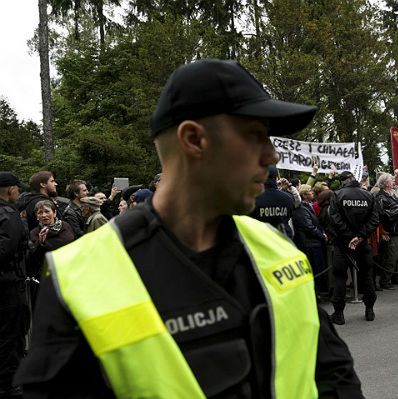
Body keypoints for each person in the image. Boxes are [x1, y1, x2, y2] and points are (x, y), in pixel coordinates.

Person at [15, 59, 364, 398]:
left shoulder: (276, 248)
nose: (271, 155)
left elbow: (333, 373)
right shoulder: (79, 278)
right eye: (256, 135)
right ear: (194, 139)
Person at [329, 171, 379, 324]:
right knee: (367, 276)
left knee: (340, 277)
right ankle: (369, 310)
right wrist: (360, 236)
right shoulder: (368, 195)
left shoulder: (337, 195)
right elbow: (375, 218)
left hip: (343, 243)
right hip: (362, 243)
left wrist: (351, 237)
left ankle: (339, 314)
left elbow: (334, 218)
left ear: (343, 181)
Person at [0, 172, 28, 398]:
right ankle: (10, 383)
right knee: (11, 333)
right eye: (17, 189)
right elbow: (6, 250)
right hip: (8, 283)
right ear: (10, 190)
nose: (18, 193)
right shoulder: (9, 214)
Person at [28, 200, 75, 303]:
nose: (44, 215)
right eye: (40, 213)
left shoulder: (65, 226)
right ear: (37, 216)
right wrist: (41, 243)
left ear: (54, 213)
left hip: (68, 274)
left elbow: (71, 244)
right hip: (47, 278)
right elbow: (33, 258)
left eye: (47, 211)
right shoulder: (34, 233)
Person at [292, 184, 328, 297]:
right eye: (310, 191)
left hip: (313, 242)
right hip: (309, 244)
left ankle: (317, 293)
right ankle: (314, 295)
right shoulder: (301, 208)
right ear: (304, 194)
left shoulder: (308, 206)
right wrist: (322, 235)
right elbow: (309, 226)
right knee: (314, 270)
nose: (312, 192)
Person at [374, 172, 398, 290]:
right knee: (391, 257)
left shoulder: (392, 194)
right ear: (386, 183)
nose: (393, 182)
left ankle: (396, 277)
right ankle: (385, 280)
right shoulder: (381, 197)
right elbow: (385, 214)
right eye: (391, 180)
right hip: (391, 230)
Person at [249, 165, 294, 238]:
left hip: (259, 241)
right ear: (276, 178)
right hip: (283, 243)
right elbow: (289, 217)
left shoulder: (252, 198)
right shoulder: (287, 198)